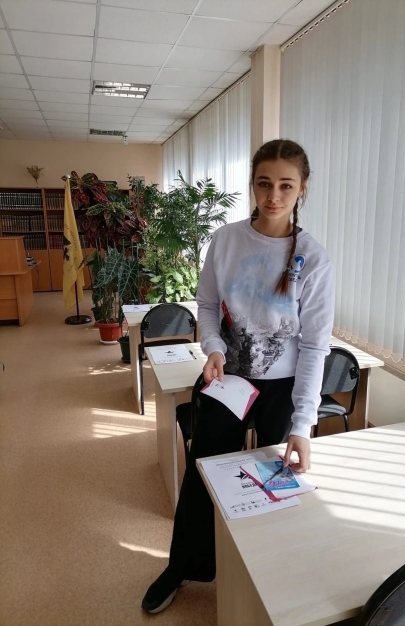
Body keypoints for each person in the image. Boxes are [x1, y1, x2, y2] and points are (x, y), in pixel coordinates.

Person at [141, 138, 335, 614]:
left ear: (303, 188)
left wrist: (302, 423)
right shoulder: (226, 241)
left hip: (282, 391)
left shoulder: (314, 259)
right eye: (264, 183)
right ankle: (183, 566)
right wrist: (213, 347)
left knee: (276, 485)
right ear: (252, 184)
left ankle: (273, 578)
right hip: (226, 379)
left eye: (286, 185)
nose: (274, 195)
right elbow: (207, 305)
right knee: (203, 474)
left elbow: (314, 346)